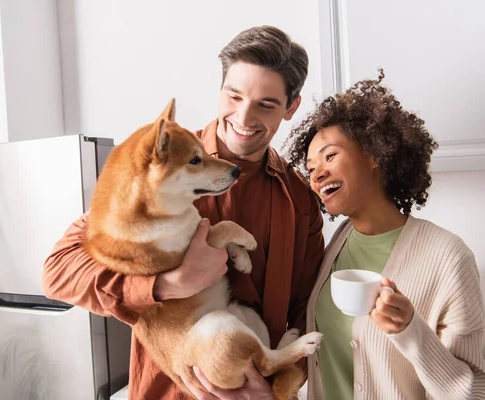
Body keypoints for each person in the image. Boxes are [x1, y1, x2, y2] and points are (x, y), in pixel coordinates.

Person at [42, 25, 324, 399]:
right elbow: (58, 271)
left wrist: (276, 388)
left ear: (291, 107)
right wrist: (161, 286)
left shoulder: (300, 200)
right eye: (233, 95)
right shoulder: (161, 171)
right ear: (220, 90)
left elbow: (311, 307)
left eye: (265, 104)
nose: (243, 116)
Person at [284, 70, 485, 399]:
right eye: (311, 168)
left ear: (373, 154)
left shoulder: (448, 257)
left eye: (330, 156)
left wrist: (411, 331)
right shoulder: (336, 243)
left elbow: (479, 392)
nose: (317, 174)